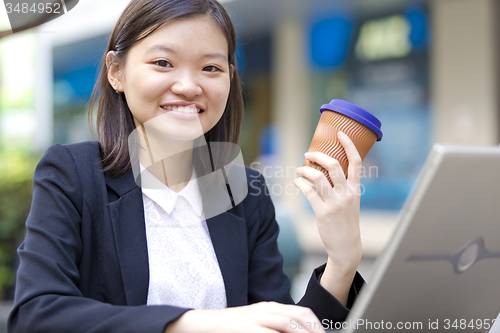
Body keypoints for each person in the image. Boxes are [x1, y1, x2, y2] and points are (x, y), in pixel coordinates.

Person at [8, 0, 365, 332]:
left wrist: (342, 261)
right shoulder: (74, 174)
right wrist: (194, 323)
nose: (188, 86)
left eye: (210, 68)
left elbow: (286, 325)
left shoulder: (244, 192)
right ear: (116, 72)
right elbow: (37, 315)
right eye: (163, 63)